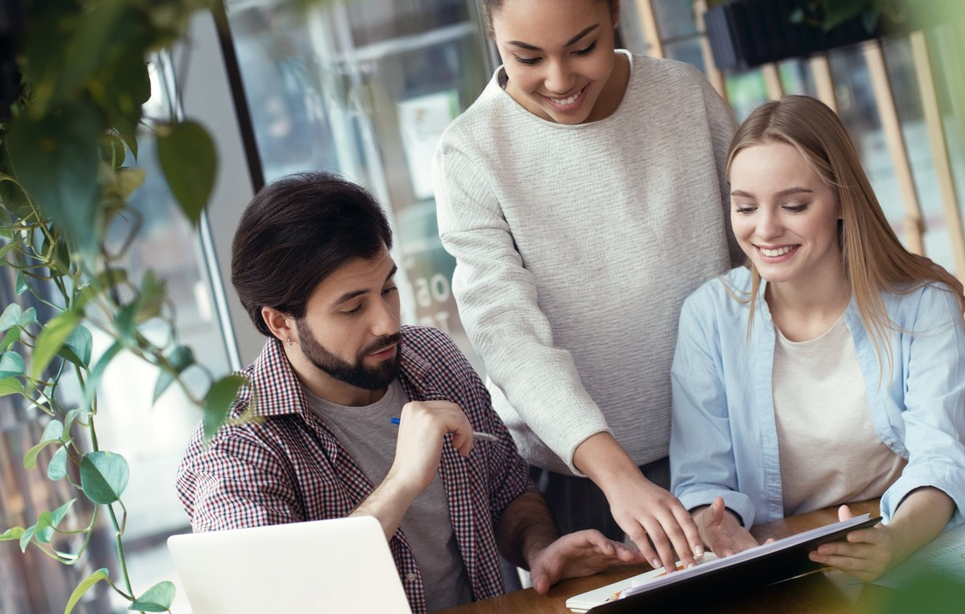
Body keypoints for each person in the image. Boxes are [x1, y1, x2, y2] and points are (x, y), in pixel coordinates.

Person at [176, 173, 640, 614]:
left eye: (389, 288)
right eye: (353, 306)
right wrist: (401, 483)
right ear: (281, 323)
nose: (387, 323)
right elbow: (269, 601)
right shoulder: (235, 441)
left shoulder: (431, 357)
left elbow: (509, 493)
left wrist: (540, 551)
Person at [432, 0, 737, 571]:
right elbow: (509, 338)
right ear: (492, 32)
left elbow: (759, 255)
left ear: (615, 7)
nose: (560, 80)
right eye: (527, 57)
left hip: (724, 457)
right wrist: (616, 475)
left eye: (583, 47)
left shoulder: (685, 97)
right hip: (579, 487)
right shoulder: (471, 152)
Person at [669, 96, 965, 581]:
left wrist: (894, 541)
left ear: (841, 199)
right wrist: (718, 528)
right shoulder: (709, 316)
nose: (766, 229)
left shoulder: (924, 303)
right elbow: (702, 480)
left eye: (794, 205)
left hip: (911, 544)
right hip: (779, 563)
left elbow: (941, 460)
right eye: (746, 207)